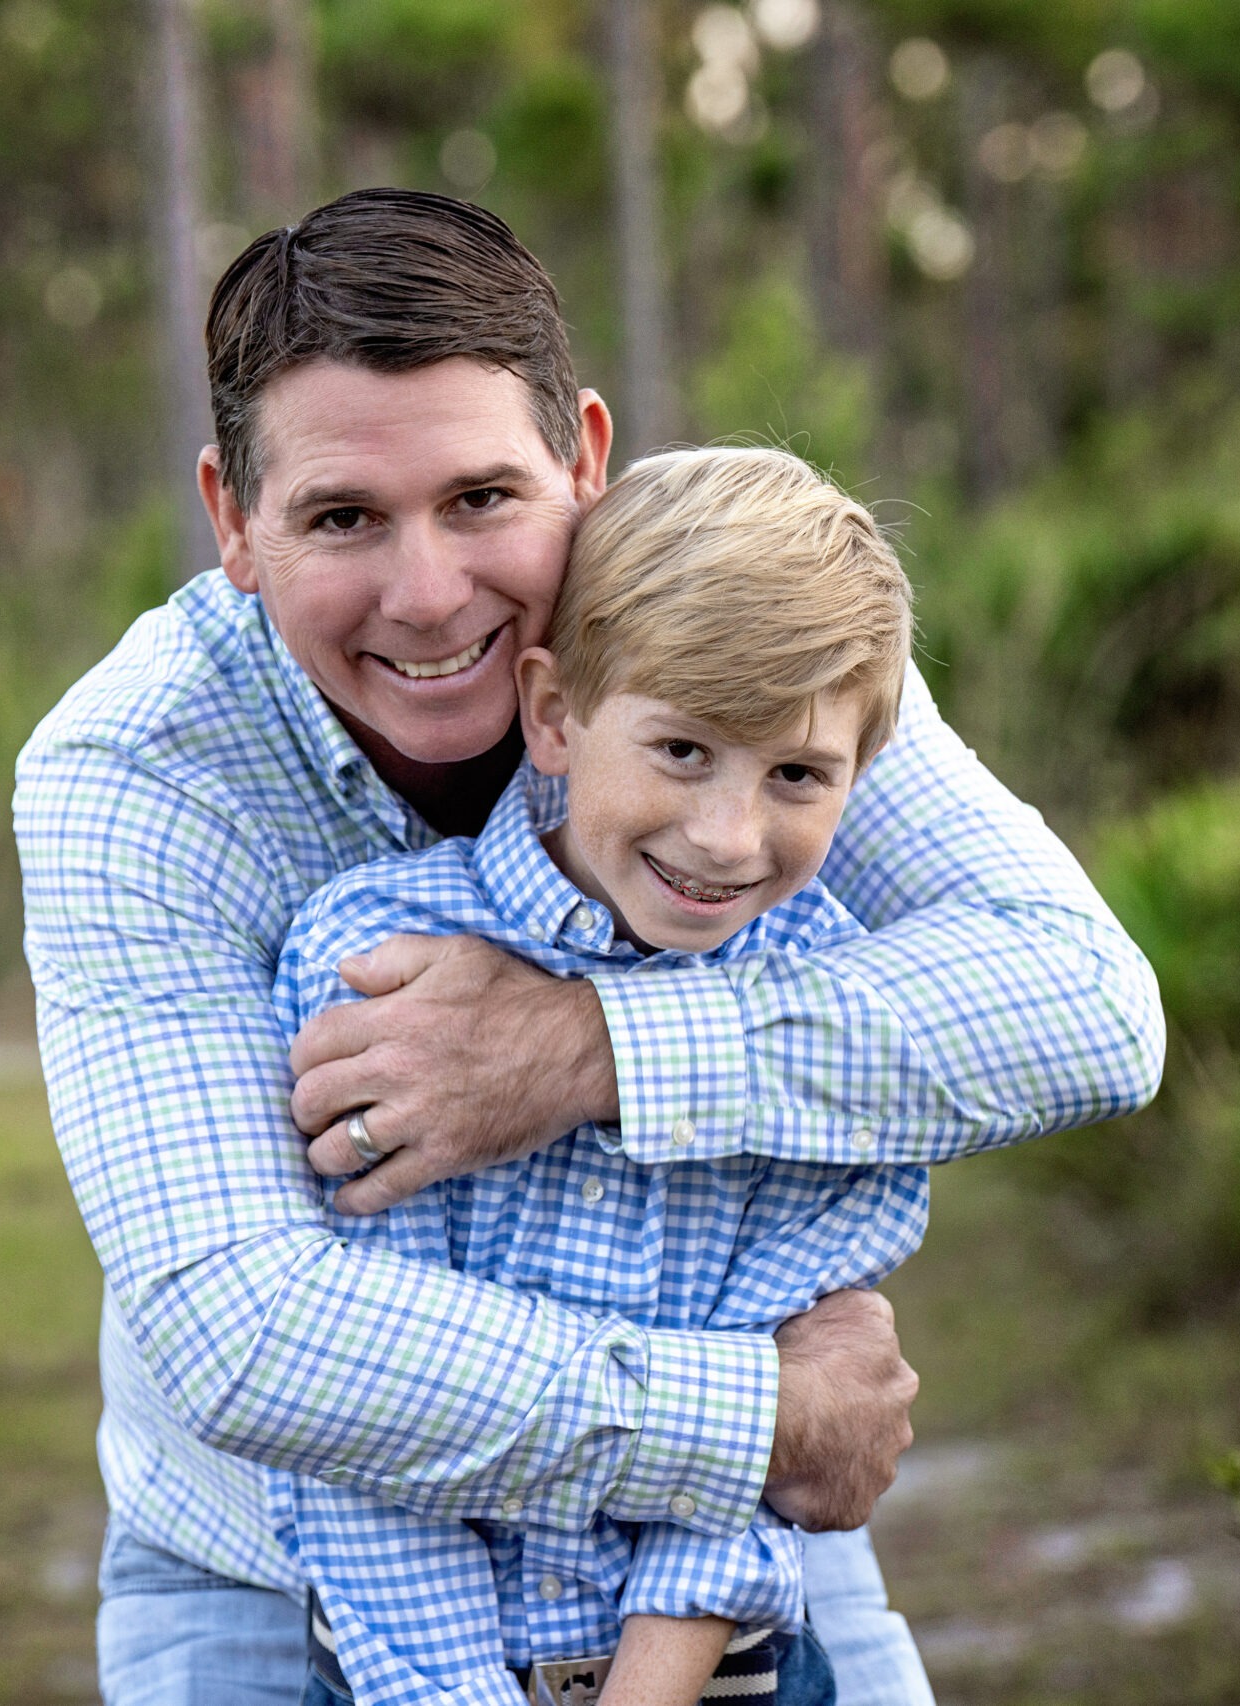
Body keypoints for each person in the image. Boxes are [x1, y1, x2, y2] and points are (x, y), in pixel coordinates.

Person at [12, 188, 1165, 1706]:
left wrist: (586, 1047)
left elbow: (1085, 1005)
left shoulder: (733, 623)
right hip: (283, 1569)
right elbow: (241, 1330)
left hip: (712, 1561)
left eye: (484, 498)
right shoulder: (137, 769)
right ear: (233, 518)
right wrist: (751, 1416)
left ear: (587, 458)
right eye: (345, 517)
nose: (430, 596)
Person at [271, 446, 932, 1706]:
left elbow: (786, 1401)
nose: (729, 837)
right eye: (683, 749)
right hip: (406, 1673)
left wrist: (646, 1690)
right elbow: (361, 1410)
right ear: (557, 712)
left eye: (796, 773)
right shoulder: (373, 963)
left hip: (717, 1673)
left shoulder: (832, 1006)